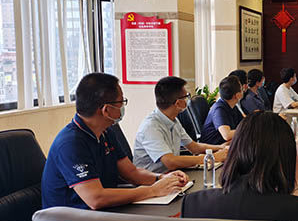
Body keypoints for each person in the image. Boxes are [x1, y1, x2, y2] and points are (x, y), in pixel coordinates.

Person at [41, 73, 188, 210]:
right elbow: (95, 198)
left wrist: (161, 178)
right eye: (121, 102)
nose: (123, 107)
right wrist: (152, 190)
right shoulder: (70, 144)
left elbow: (132, 173)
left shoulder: (106, 132)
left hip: (101, 212)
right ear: (106, 110)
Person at [133, 76, 227, 173]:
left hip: (171, 175)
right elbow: (170, 161)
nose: (188, 100)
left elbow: (194, 147)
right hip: (153, 179)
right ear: (178, 103)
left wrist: (221, 148)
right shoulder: (151, 127)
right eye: (186, 97)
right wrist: (212, 157)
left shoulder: (173, 120)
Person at [200, 75, 244, 144]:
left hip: (225, 145)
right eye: (242, 89)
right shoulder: (219, 109)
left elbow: (244, 123)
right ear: (238, 95)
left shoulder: (232, 106)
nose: (243, 90)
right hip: (213, 148)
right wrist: (247, 130)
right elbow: (227, 135)